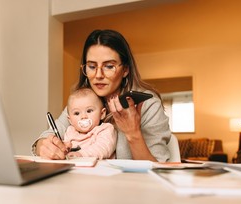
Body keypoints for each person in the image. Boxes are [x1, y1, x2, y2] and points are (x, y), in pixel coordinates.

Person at [32, 29, 171, 162]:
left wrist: (133, 134)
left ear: (125, 70)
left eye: (109, 66)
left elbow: (159, 169)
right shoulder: (83, 100)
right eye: (92, 66)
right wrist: (43, 146)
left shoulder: (148, 104)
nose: (98, 75)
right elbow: (48, 135)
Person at [64, 87, 117, 159]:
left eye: (89, 111)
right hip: (74, 168)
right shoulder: (70, 131)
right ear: (70, 120)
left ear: (102, 114)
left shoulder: (105, 129)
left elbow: (103, 148)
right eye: (77, 113)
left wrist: (81, 154)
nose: (83, 116)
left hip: (99, 168)